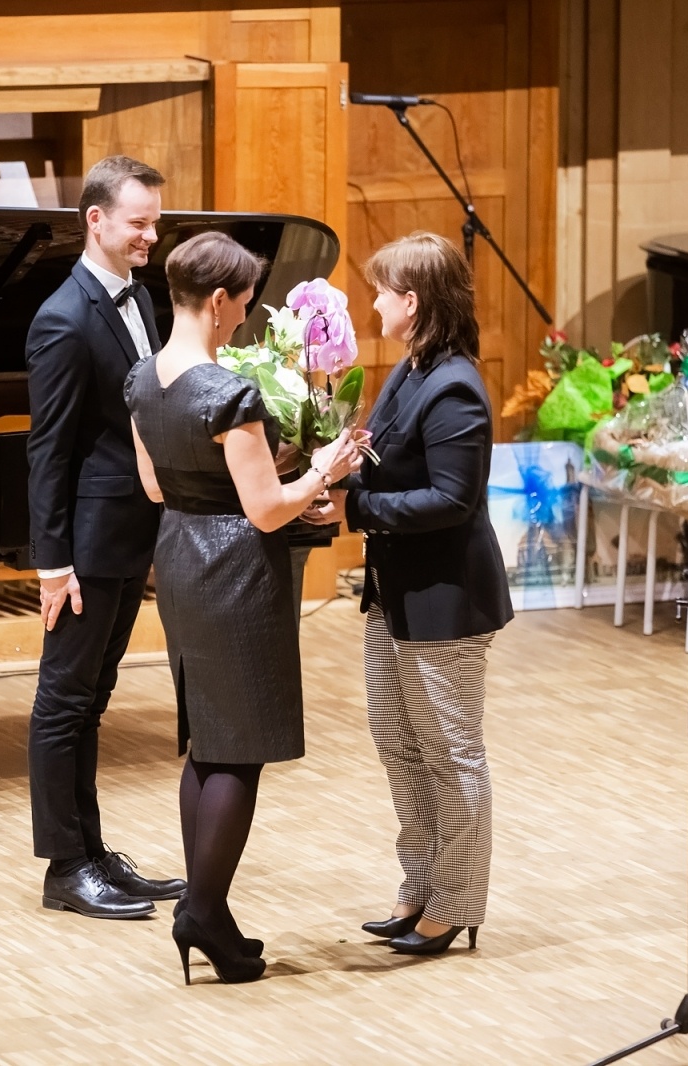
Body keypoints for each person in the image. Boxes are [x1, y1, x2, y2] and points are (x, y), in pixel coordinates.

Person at [126, 231, 361, 984]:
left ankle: (210, 913)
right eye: (245, 302)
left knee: (208, 740)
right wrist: (322, 467)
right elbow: (265, 511)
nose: (245, 316)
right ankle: (201, 909)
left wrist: (270, 473)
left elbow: (158, 487)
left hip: (182, 561)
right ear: (221, 300)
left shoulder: (141, 380)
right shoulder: (229, 391)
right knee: (240, 748)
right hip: (237, 571)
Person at [305, 231, 513, 956]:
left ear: (413, 301)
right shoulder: (410, 370)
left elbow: (453, 500)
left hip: (446, 598)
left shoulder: (454, 386)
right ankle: (420, 883)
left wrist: (355, 510)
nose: (373, 302)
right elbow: (390, 467)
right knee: (398, 741)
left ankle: (456, 900)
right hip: (396, 591)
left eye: (382, 291)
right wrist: (331, 477)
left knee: (451, 752)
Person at [25, 155, 186, 919]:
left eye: (155, 221)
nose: (152, 235)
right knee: (63, 702)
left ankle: (92, 851)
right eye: (139, 223)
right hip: (85, 548)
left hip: (126, 534)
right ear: (96, 220)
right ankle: (65, 868)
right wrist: (53, 563)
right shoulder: (61, 318)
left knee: (93, 701)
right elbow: (48, 452)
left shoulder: (139, 301)